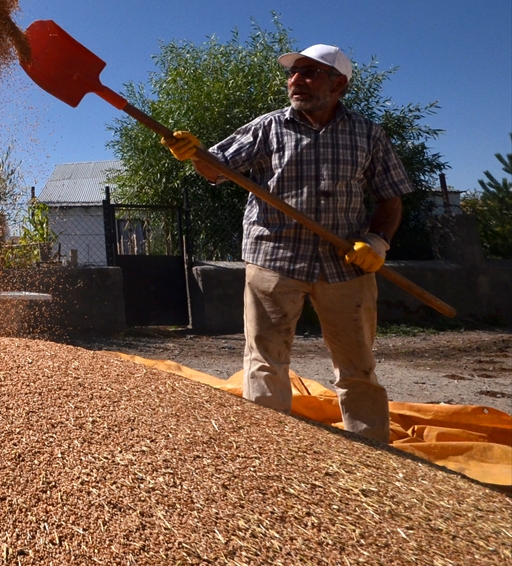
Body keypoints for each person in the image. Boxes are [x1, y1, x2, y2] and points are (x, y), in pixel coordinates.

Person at [164, 44, 413, 442]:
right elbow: (216, 168)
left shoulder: (368, 134)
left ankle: (372, 451)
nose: (295, 81)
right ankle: (270, 452)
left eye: (309, 73)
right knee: (265, 361)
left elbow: (391, 196)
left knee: (358, 366)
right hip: (274, 258)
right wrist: (194, 154)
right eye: (293, 73)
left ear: (339, 84)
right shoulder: (268, 127)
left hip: (344, 264)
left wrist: (378, 241)